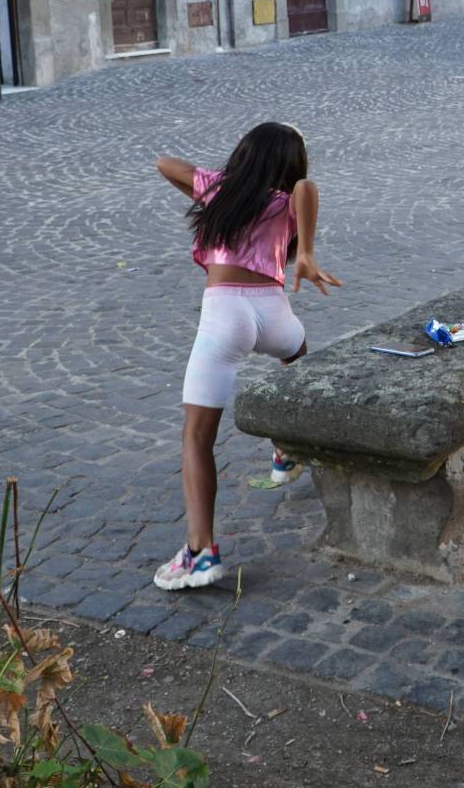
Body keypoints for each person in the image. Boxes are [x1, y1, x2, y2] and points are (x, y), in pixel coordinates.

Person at [151, 123, 341, 590]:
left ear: (244, 155)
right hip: (274, 315)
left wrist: (214, 183)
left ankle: (199, 552)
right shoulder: (286, 201)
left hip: (225, 316)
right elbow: (305, 186)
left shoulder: (223, 191)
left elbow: (164, 164)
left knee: (197, 436)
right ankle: (286, 448)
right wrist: (306, 251)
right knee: (297, 355)